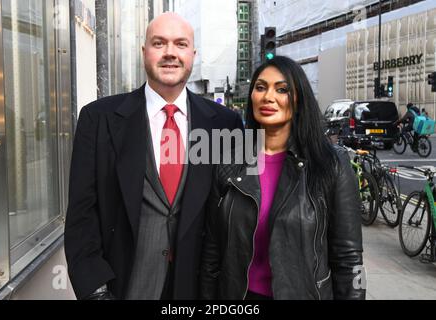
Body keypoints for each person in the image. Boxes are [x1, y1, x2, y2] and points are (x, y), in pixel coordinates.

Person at [64, 12, 243, 300]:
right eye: (159, 43)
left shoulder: (226, 123)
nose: (170, 53)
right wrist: (96, 291)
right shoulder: (97, 119)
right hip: (125, 287)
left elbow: (242, 213)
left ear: (193, 54)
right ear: (144, 51)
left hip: (200, 289)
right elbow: (81, 216)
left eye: (180, 44)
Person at [200, 56, 366, 300]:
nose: (268, 97)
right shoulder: (228, 162)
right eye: (260, 87)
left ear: (298, 99)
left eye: (282, 89)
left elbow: (349, 259)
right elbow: (212, 253)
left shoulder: (331, 164)